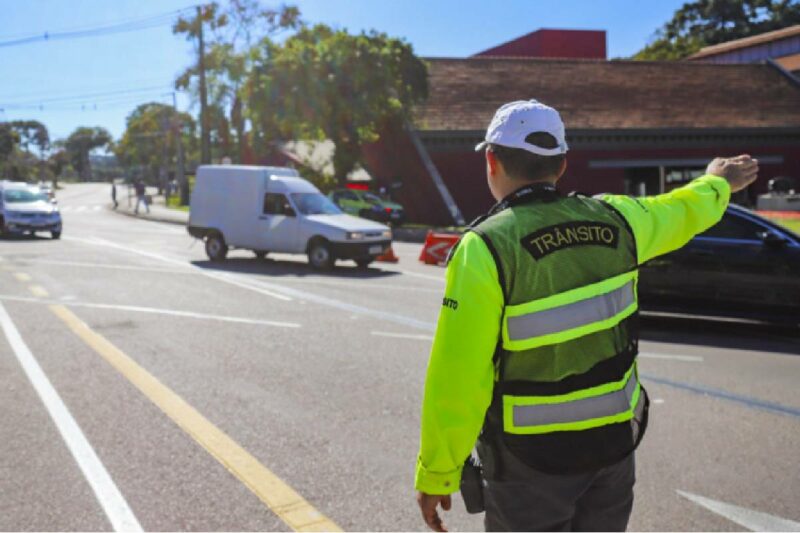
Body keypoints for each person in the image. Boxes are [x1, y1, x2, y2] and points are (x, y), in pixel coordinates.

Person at [414, 100, 758, 532]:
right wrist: (717, 182)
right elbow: (682, 209)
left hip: (529, 467)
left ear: (491, 161)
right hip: (612, 452)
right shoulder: (618, 219)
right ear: (561, 165)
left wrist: (437, 474)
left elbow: (458, 376)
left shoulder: (485, 248)